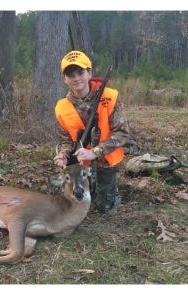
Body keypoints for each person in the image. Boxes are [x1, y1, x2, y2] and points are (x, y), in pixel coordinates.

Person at [53, 50, 131, 214]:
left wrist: (95, 152)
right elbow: (66, 140)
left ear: (89, 73)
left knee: (104, 208)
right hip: (78, 164)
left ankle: (110, 192)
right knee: (72, 204)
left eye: (80, 72)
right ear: (64, 78)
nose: (76, 78)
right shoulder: (62, 107)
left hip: (105, 162)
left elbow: (122, 134)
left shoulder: (109, 97)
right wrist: (64, 155)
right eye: (70, 74)